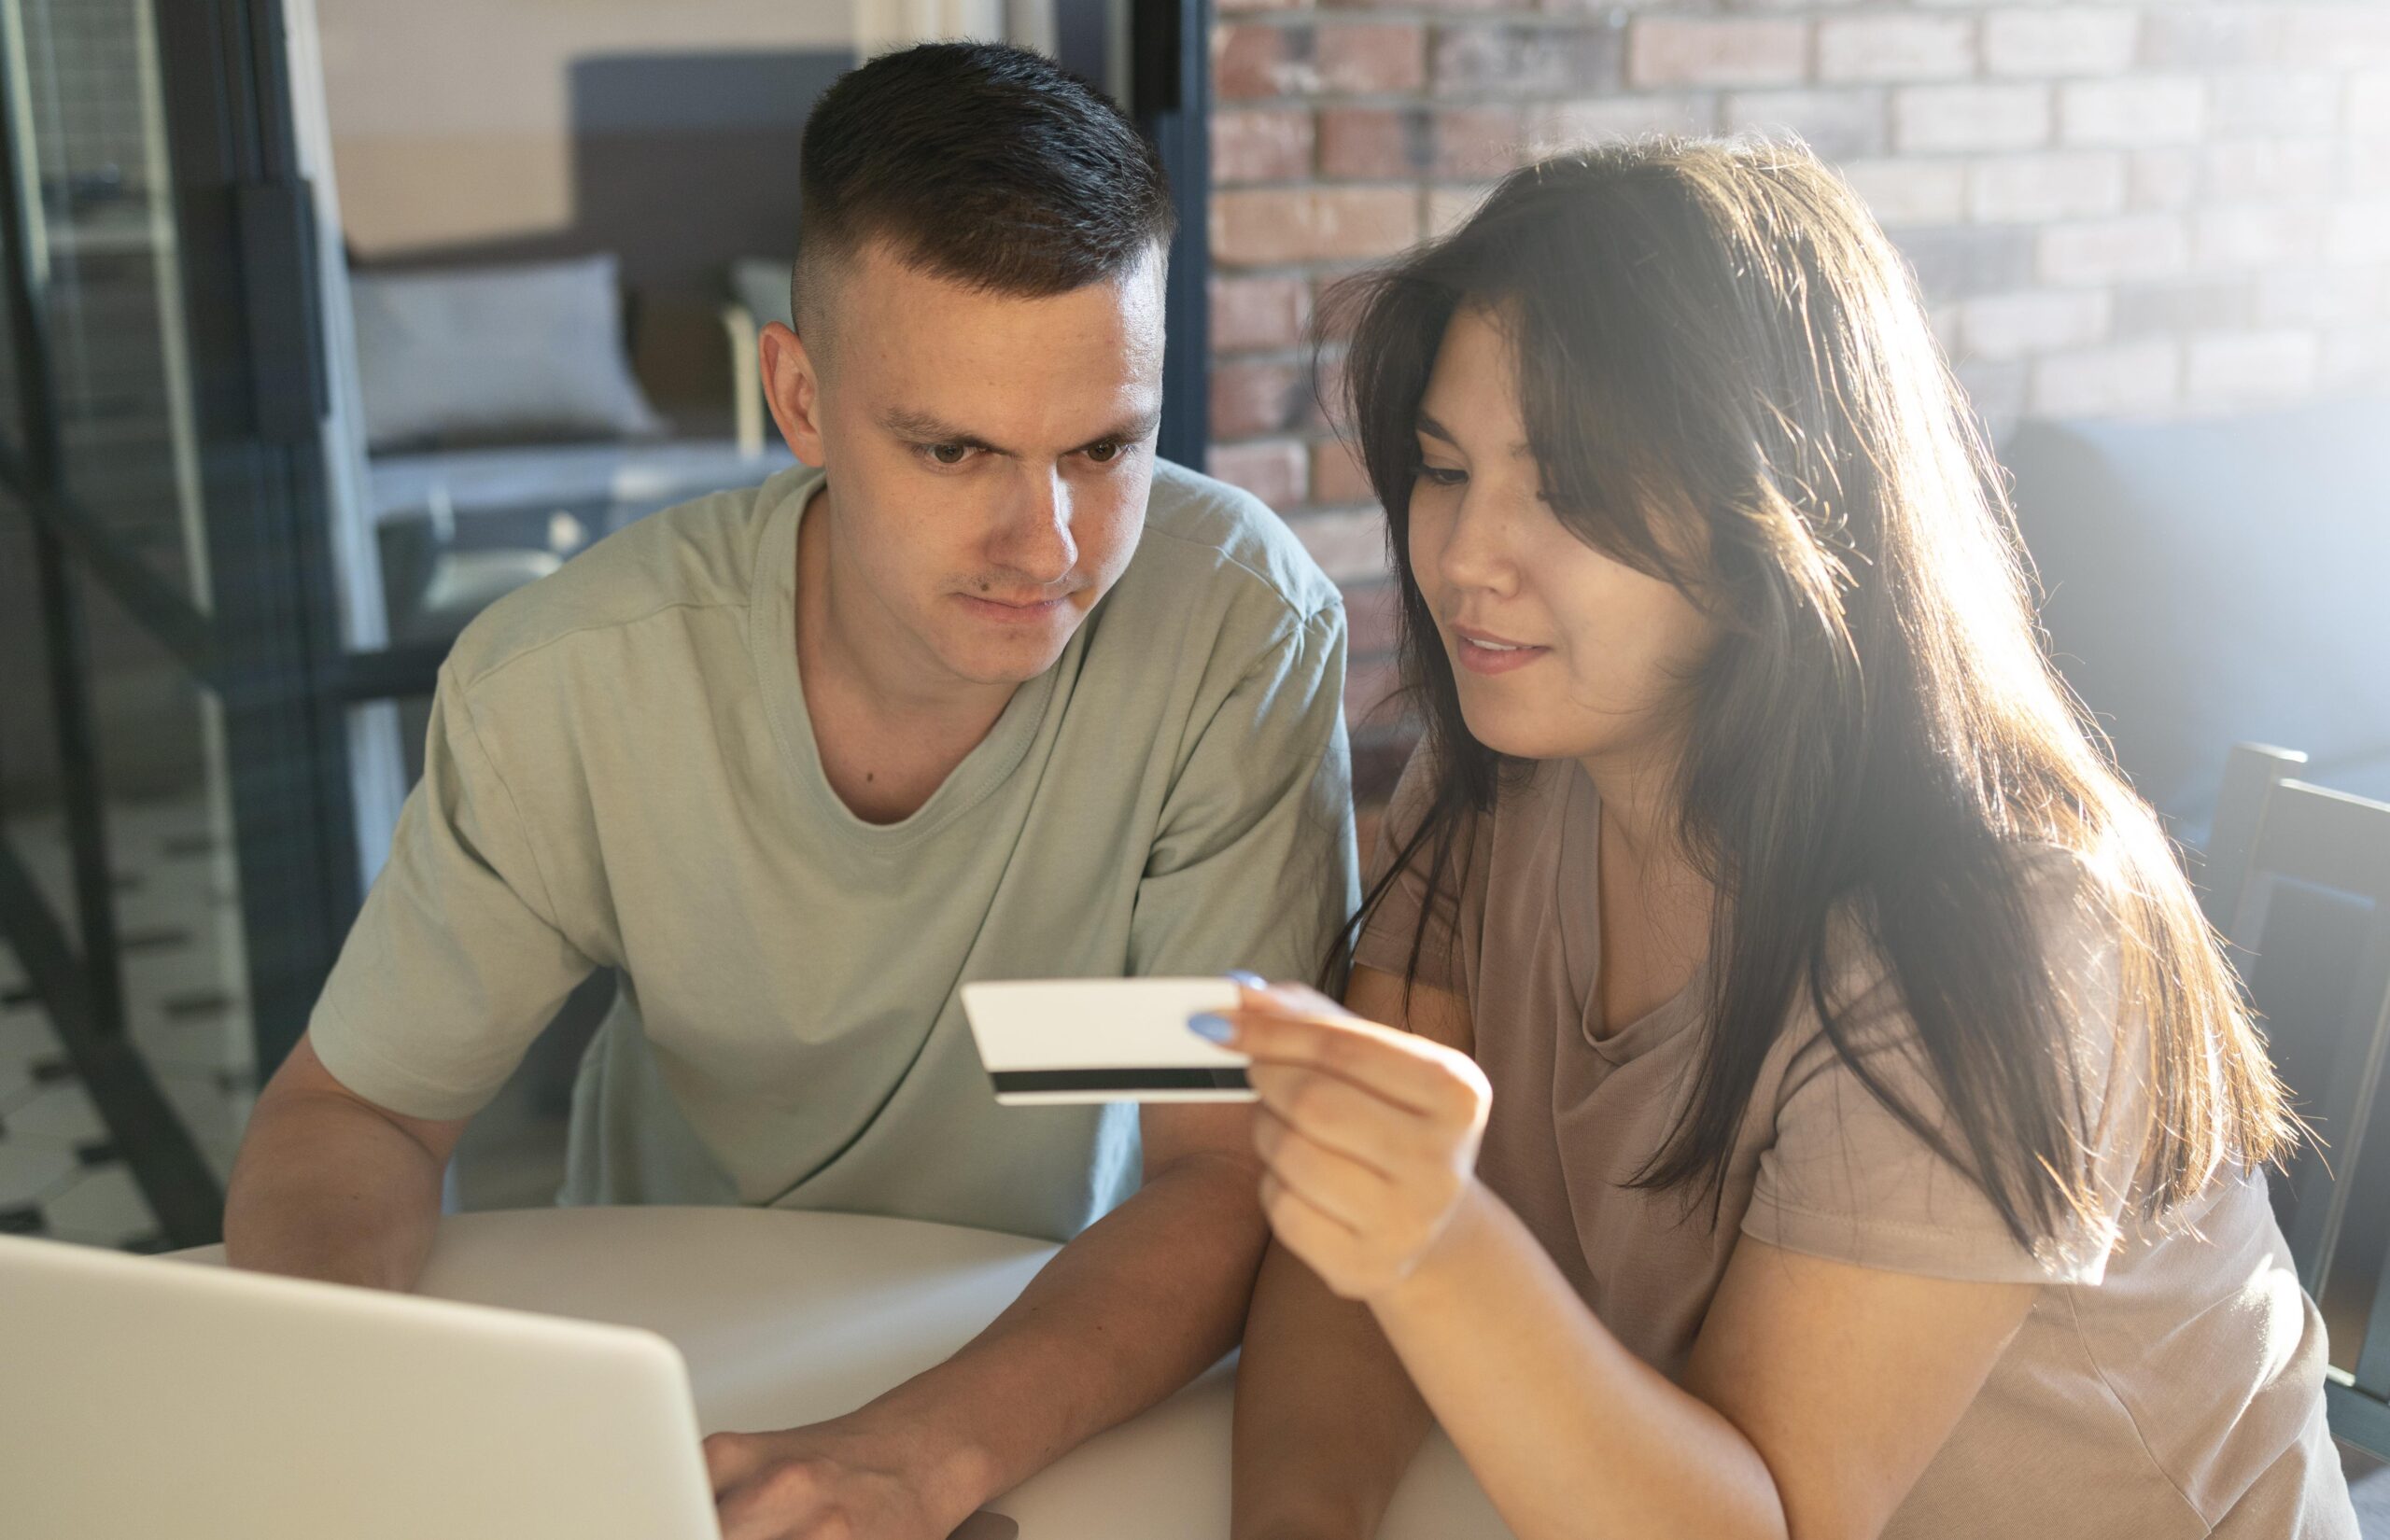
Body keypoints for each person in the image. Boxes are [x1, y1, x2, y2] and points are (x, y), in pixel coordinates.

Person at [223, 43, 1357, 1540]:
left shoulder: (1236, 631)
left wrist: (918, 1456)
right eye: (952, 448)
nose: (1050, 544)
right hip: (666, 1367)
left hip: (1058, 1363)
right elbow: (356, 1115)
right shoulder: (570, 682)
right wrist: (335, 1432)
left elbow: (1220, 1172)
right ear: (800, 397)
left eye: (1106, 446)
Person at [1208, 138, 2356, 1540]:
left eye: (1566, 487)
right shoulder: (1490, 791)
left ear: (1782, 509)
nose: (1461, 557)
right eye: (1444, 471)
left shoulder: (2008, 918)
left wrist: (1437, 1242)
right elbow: (1347, 1279)